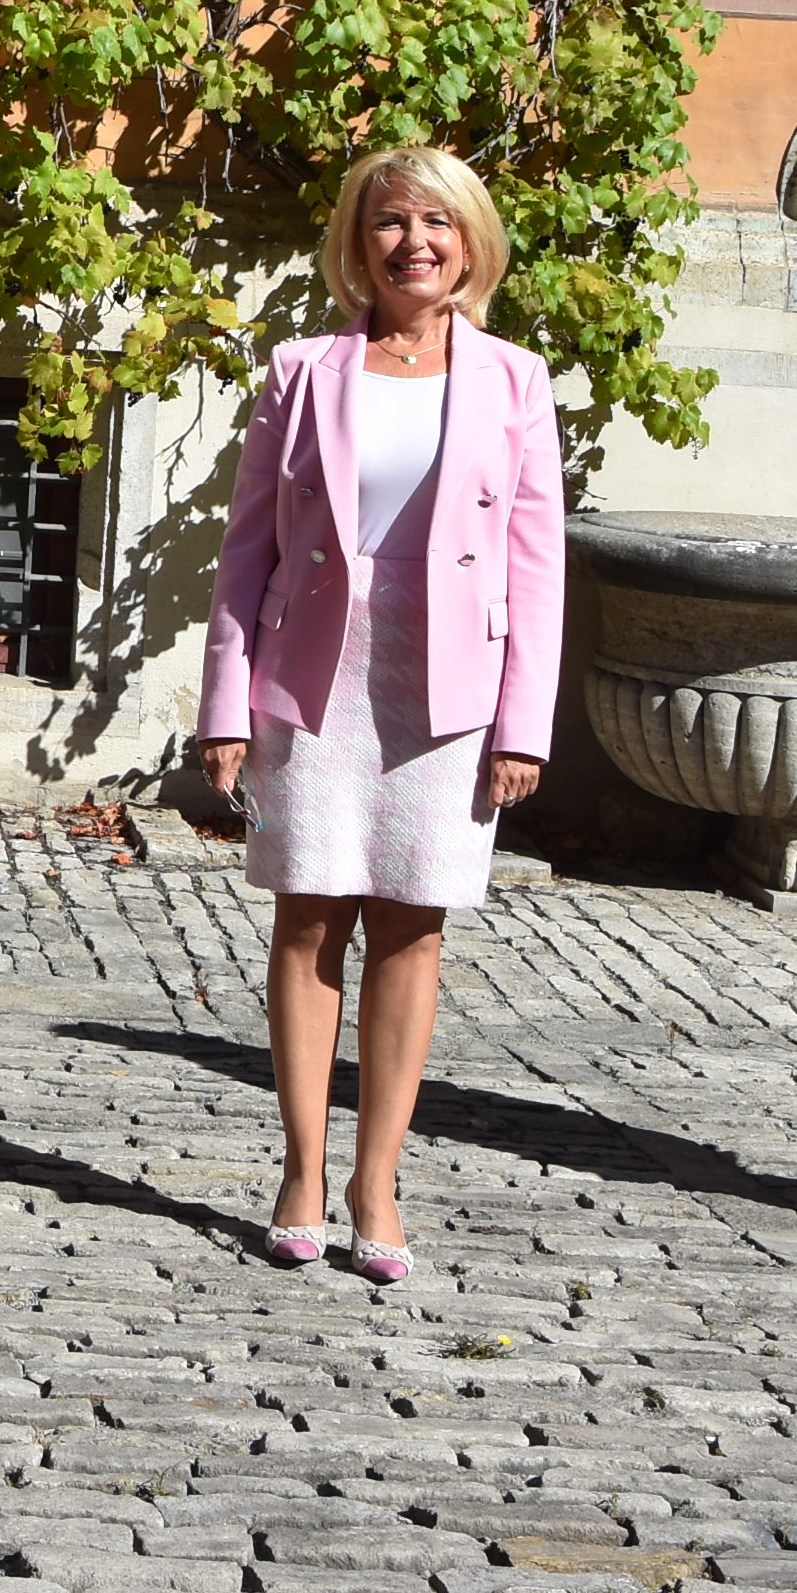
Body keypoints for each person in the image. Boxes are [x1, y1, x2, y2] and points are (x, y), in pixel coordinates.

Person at [190, 145, 563, 1281]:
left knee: (412, 925)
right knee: (308, 918)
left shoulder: (515, 380)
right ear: (358, 243)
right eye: (391, 222)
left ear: (470, 241)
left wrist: (522, 726)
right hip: (315, 676)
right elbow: (245, 551)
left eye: (437, 222)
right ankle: (302, 1172)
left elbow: (537, 565)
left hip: (447, 685)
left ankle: (377, 1182)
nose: (415, 243)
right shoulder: (302, 370)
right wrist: (224, 704)